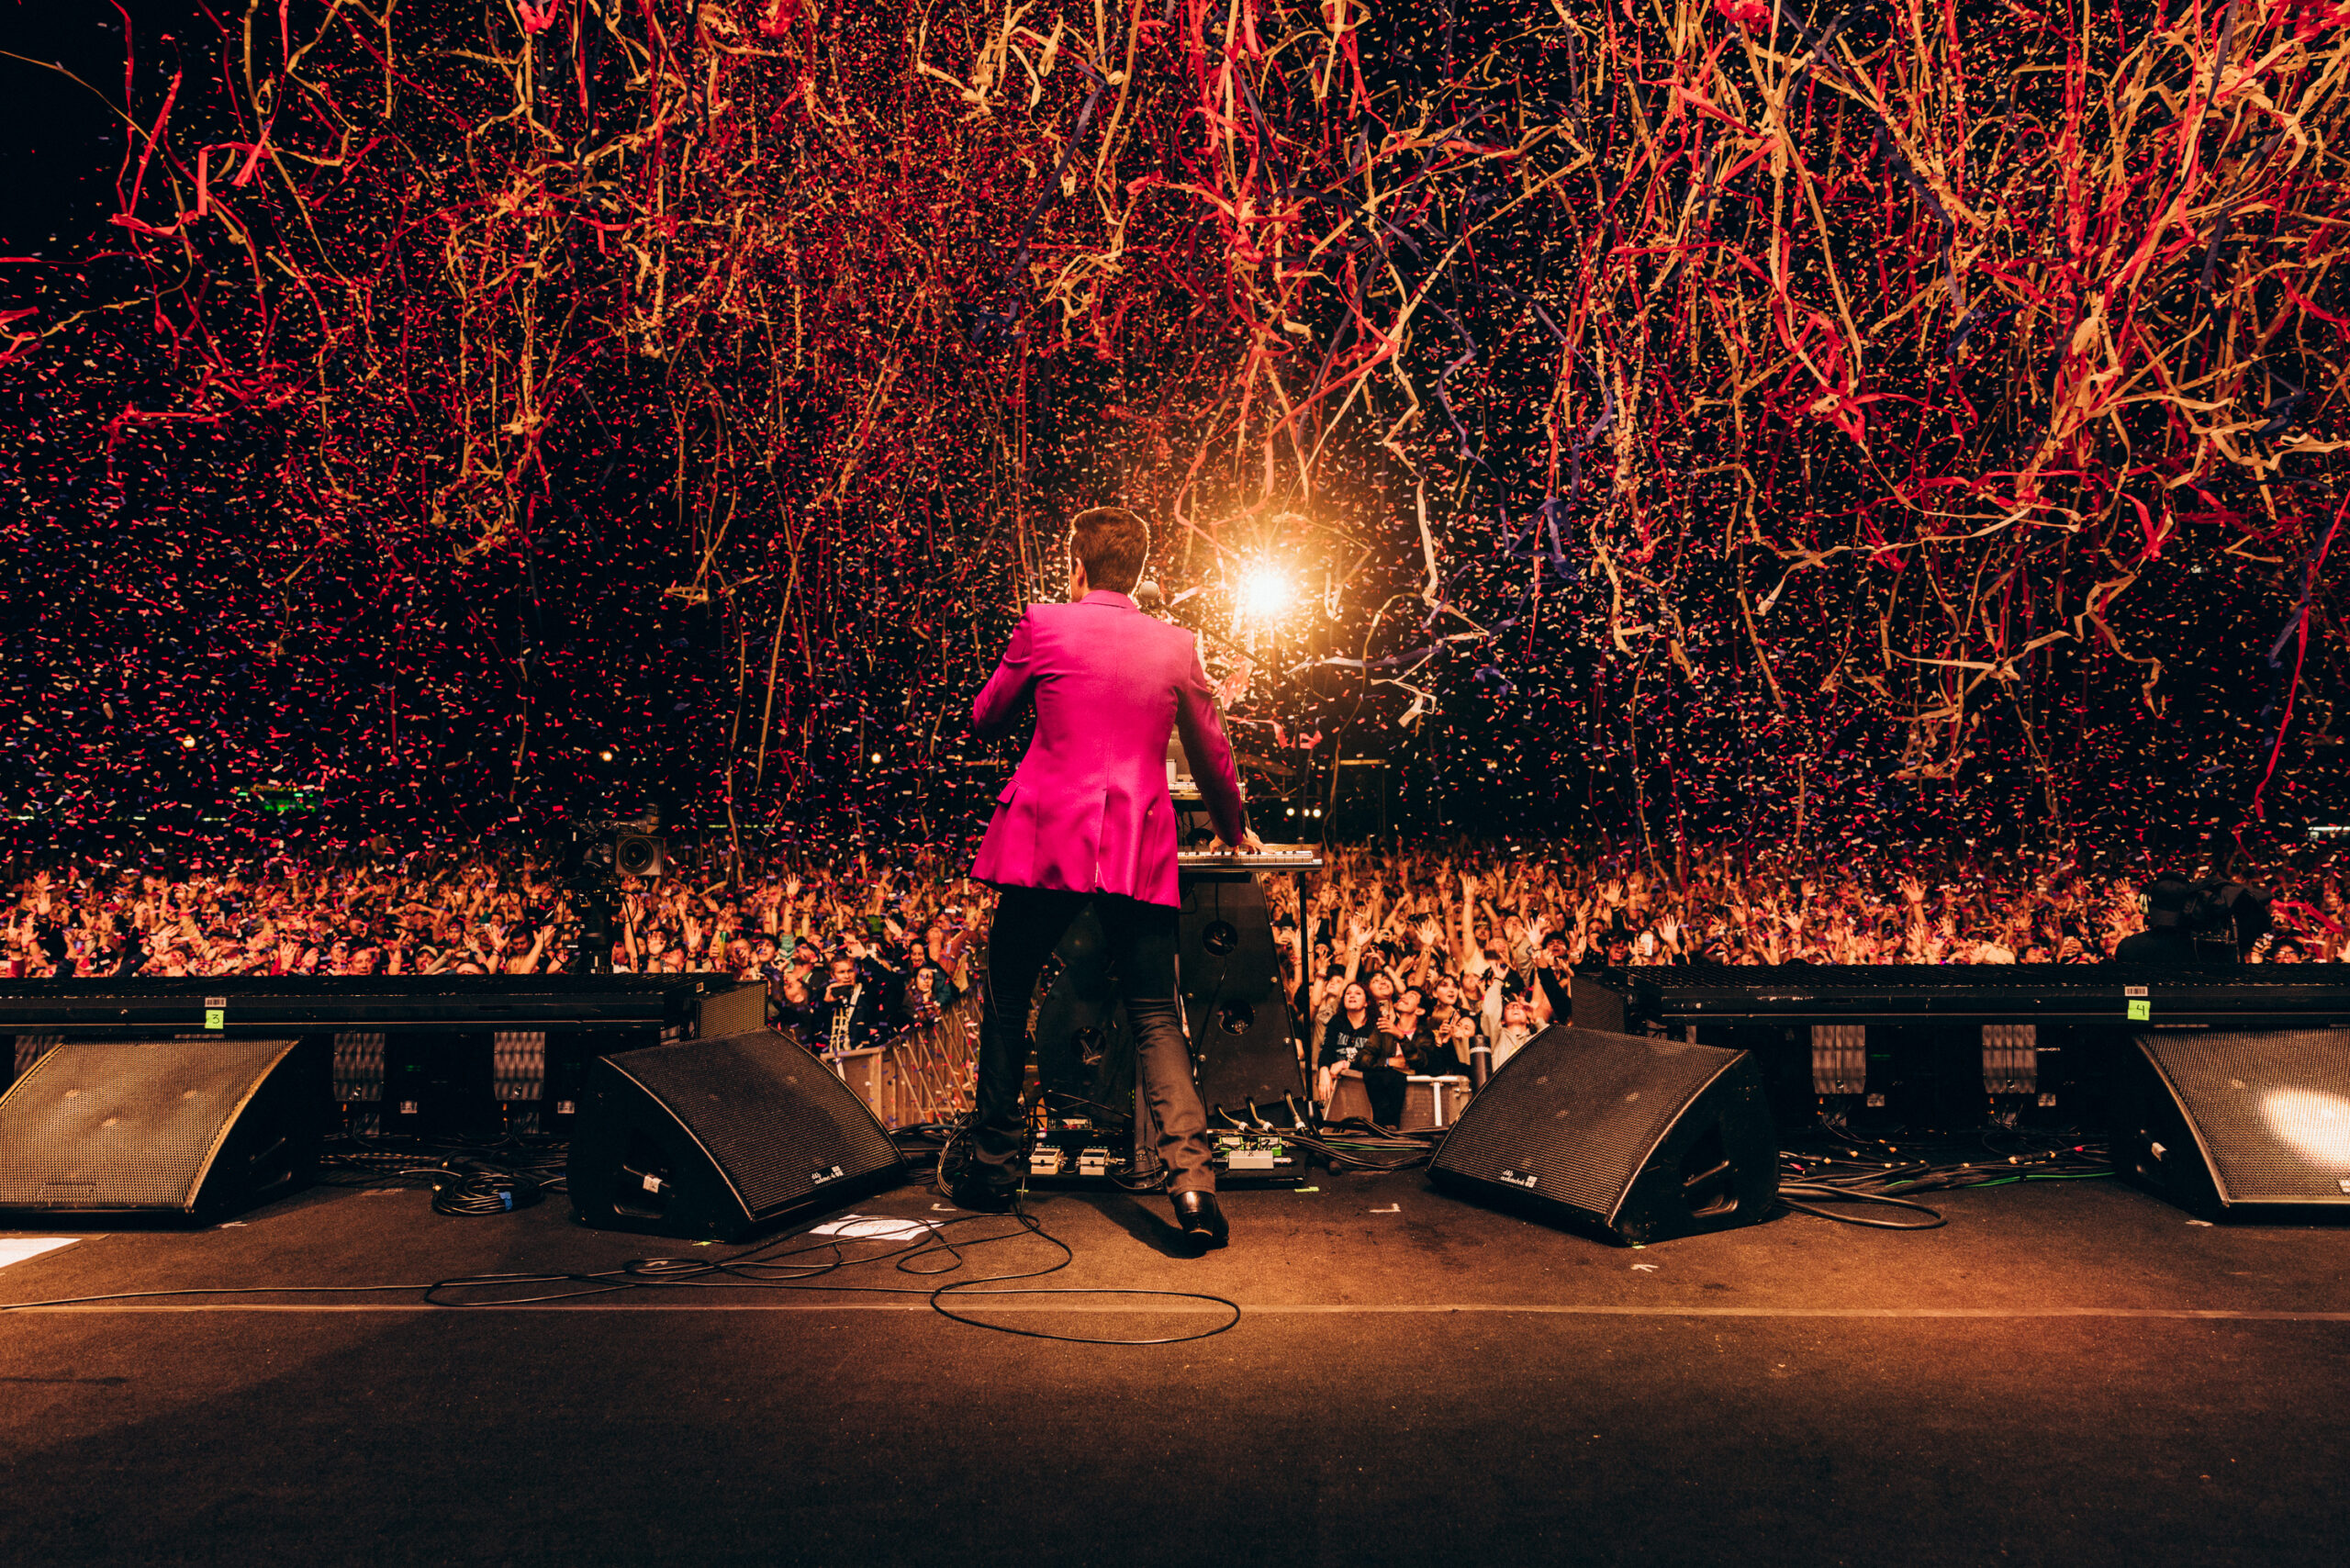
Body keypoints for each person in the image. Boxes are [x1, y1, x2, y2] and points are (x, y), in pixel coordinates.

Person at [957, 506, 1258, 1249]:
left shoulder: (1043, 624)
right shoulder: (1175, 644)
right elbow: (1214, 756)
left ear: (1075, 564)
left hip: (1044, 840)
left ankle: (994, 1168)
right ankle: (1191, 1185)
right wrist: (1232, 831)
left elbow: (987, 716)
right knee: (1156, 1013)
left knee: (1007, 998)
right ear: (1142, 572)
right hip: (1135, 842)